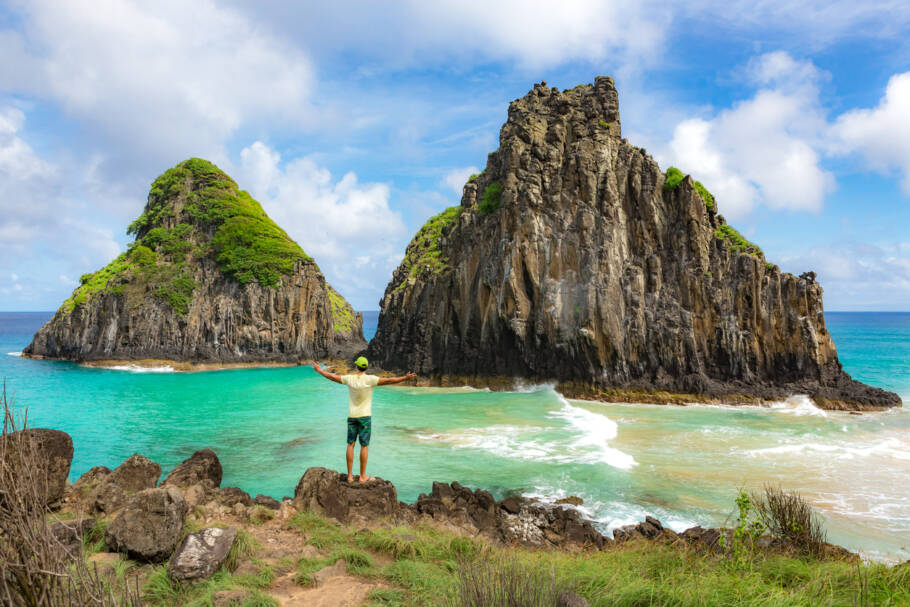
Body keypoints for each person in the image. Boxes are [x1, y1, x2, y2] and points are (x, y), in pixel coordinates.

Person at [312, 356, 416, 483]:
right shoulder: (370, 380)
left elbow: (333, 377)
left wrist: (320, 370)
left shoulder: (349, 379)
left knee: (350, 444)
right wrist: (405, 378)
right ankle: (362, 476)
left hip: (352, 416)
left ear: (356, 367)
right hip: (365, 417)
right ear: (366, 368)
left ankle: (350, 476)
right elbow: (389, 380)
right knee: (364, 446)